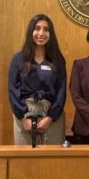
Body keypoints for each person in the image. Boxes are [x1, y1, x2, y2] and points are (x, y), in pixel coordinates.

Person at [8, 14, 66, 145]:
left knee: (53, 160)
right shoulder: (18, 58)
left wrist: (50, 117)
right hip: (24, 113)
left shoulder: (57, 59)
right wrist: (24, 118)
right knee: (24, 159)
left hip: (52, 115)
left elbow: (61, 91)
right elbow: (13, 91)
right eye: (37, 28)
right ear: (30, 32)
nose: (41, 33)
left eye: (46, 29)